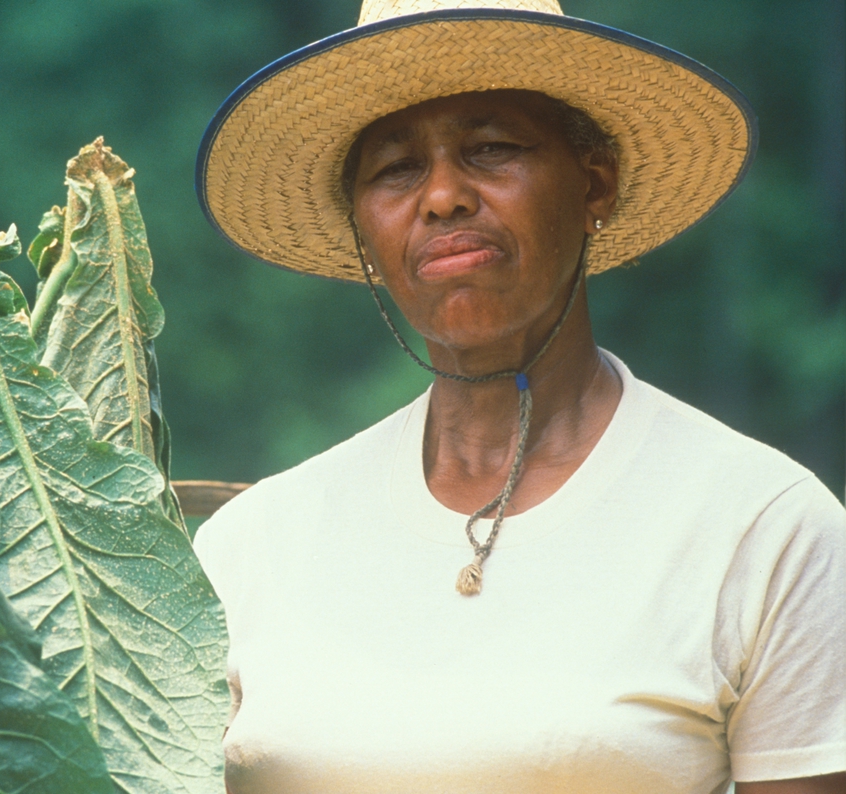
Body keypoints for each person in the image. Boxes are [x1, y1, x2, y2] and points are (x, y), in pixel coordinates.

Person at [191, 1, 846, 793]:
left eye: (492, 148)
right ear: (363, 228)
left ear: (593, 183)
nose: (441, 197)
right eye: (396, 169)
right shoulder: (251, 547)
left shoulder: (764, 529)